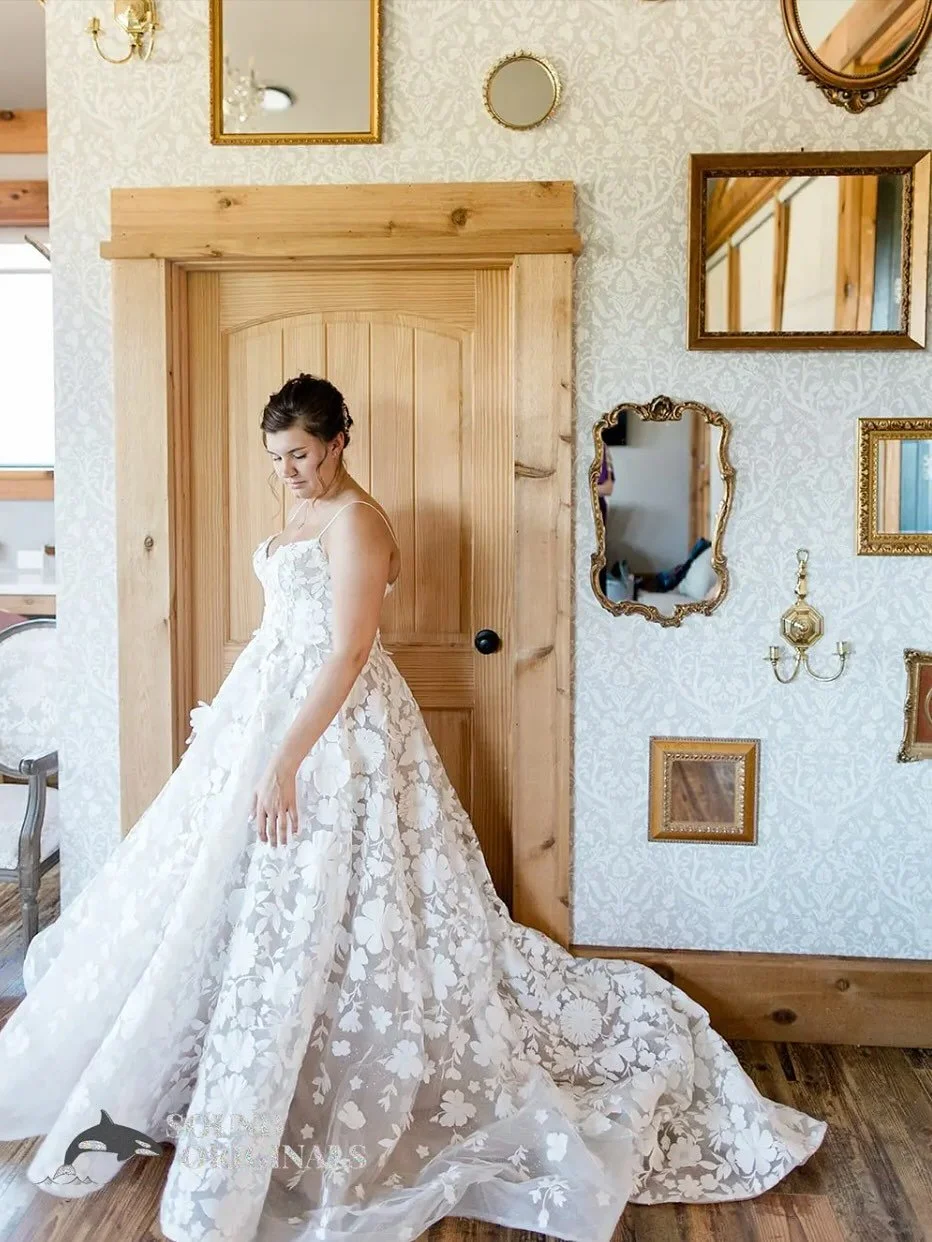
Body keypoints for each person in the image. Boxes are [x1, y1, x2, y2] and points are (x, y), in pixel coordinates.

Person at [0, 373, 826, 1242]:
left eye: (300, 455)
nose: (287, 470)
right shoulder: (302, 511)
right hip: (267, 709)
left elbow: (350, 652)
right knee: (222, 895)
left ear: (338, 443)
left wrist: (285, 759)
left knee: (351, 902)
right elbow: (288, 629)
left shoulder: (359, 521)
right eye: (276, 458)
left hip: (335, 733)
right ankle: (220, 1063)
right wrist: (246, 728)